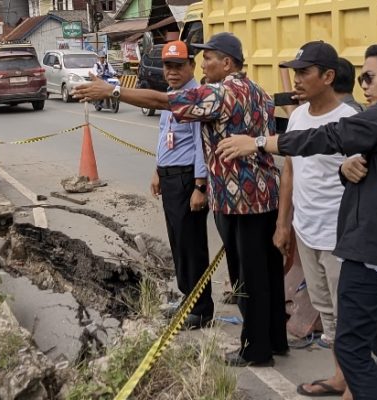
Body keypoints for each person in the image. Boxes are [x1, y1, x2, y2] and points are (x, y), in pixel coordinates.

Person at [217, 43, 377, 400]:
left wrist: (258, 142)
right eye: (360, 76)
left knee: (350, 347)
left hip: (370, 251)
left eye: (369, 76)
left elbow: (331, 136)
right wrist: (347, 172)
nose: (363, 84)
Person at [73, 32, 288, 367]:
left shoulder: (221, 92)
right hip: (266, 194)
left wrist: (113, 90)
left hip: (239, 200)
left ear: (228, 62)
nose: (204, 63)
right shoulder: (259, 91)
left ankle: (256, 350)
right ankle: (276, 340)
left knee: (247, 277)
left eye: (209, 58)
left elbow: (165, 102)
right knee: (268, 273)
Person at [274, 41, 357, 398]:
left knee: (349, 314)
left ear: (328, 76)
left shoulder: (351, 122)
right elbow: (290, 170)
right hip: (306, 231)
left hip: (340, 235)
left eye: (304, 72)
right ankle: (341, 377)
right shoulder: (297, 116)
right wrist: (283, 223)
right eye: (295, 71)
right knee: (327, 312)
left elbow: (361, 180)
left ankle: (357, 384)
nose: (297, 79)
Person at [151, 41, 211, 329]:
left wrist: (200, 185)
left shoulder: (197, 97)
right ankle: (188, 296)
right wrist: (157, 172)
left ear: (192, 66)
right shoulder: (170, 96)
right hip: (170, 177)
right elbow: (165, 136)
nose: (172, 72)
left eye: (178, 66)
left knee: (191, 245)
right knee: (178, 243)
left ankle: (200, 308)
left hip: (188, 178)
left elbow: (202, 144)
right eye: (168, 66)